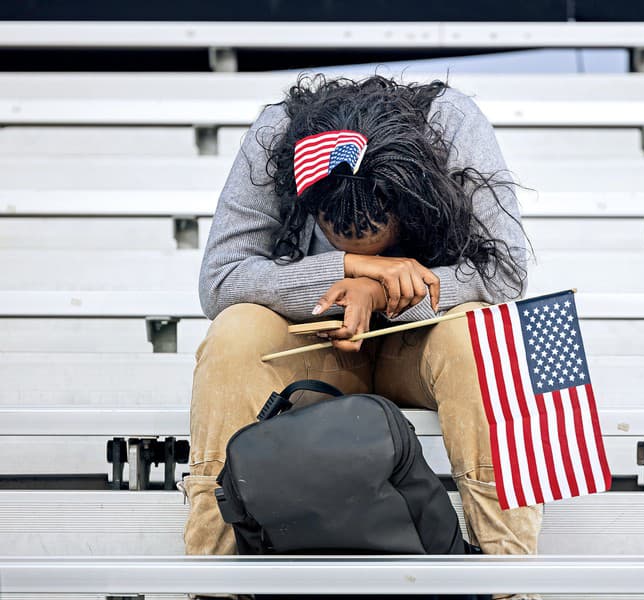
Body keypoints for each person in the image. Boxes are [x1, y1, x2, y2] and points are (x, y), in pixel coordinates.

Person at [181, 73, 540, 599]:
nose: (357, 244)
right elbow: (220, 279)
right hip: (319, 343)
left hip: (419, 344)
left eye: (374, 237)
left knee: (480, 334)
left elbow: (505, 272)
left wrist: (390, 289)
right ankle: (213, 584)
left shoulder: (451, 123)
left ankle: (511, 586)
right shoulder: (277, 134)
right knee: (235, 330)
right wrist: (347, 271)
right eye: (337, 231)